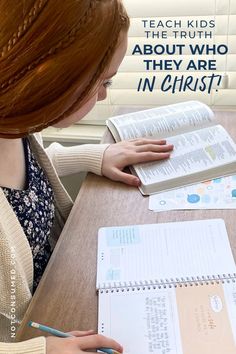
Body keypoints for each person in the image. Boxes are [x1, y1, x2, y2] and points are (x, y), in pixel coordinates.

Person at [0, 0, 173, 352]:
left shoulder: (17, 124)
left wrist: (96, 155)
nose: (104, 95)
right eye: (102, 82)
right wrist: (36, 351)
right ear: (47, 74)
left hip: (52, 293)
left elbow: (27, 174)